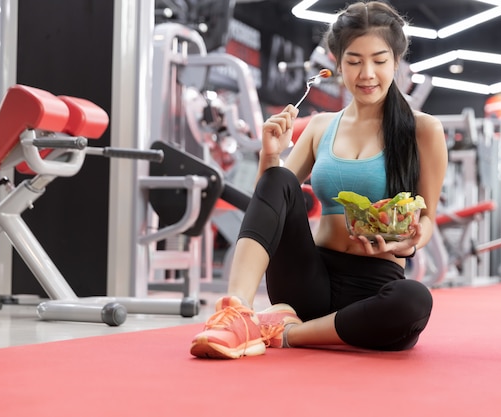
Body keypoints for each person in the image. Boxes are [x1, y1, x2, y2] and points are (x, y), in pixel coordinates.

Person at [190, 0, 448, 359]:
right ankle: (237, 313)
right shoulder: (320, 126)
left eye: (379, 60)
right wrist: (270, 154)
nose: (367, 74)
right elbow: (271, 199)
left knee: (415, 300)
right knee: (279, 175)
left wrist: (411, 241)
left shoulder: (424, 130)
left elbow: (428, 219)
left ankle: (288, 333)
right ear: (337, 62)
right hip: (308, 279)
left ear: (396, 61)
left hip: (374, 287)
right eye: (354, 62)